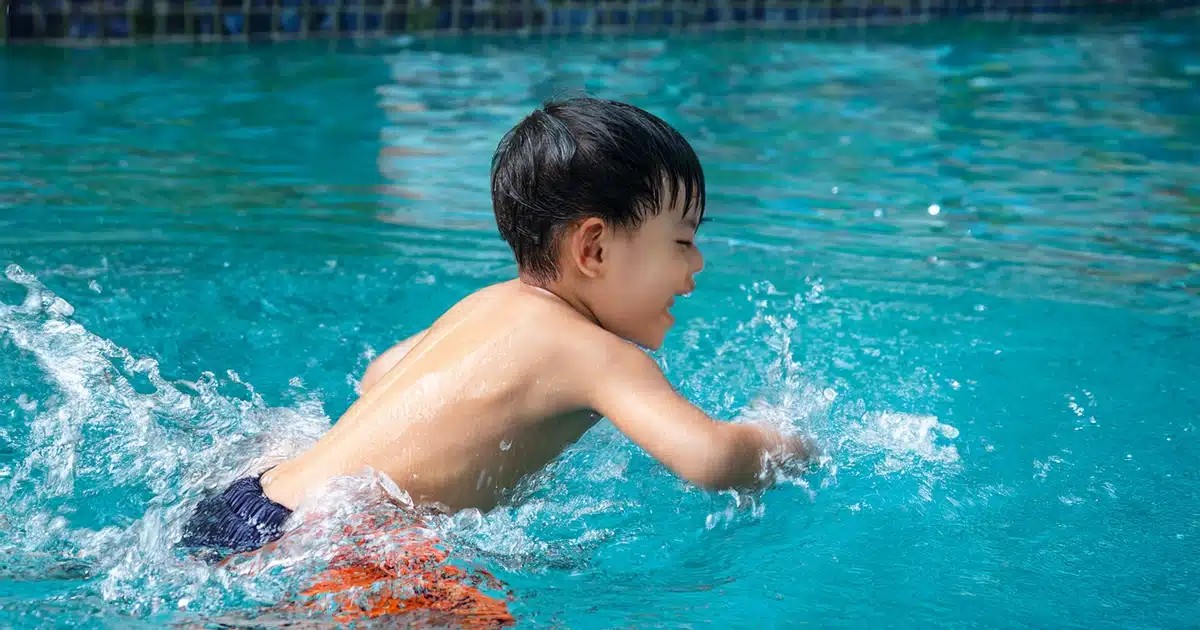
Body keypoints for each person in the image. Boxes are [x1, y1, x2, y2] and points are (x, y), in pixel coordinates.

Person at [179, 96, 815, 556]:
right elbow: (710, 460)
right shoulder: (598, 356)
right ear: (593, 250)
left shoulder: (489, 304)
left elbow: (381, 376)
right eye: (681, 242)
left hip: (255, 498)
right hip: (344, 543)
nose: (696, 266)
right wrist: (783, 439)